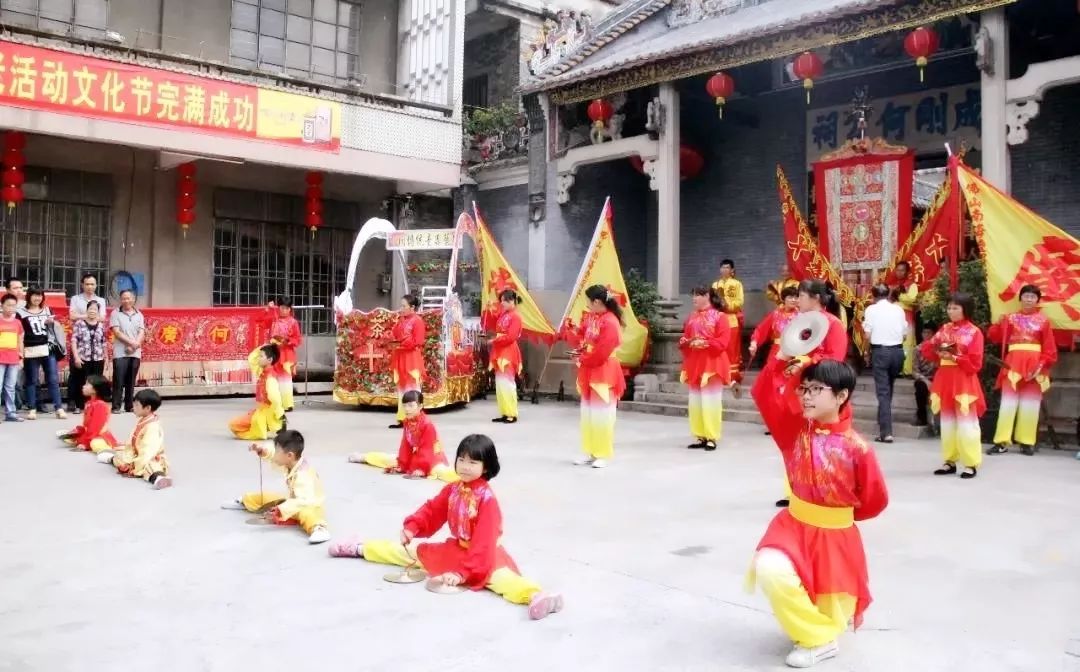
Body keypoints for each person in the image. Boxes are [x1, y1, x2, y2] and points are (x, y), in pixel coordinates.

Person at [327, 434, 565, 620]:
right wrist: (413, 527)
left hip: (484, 556)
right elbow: (433, 510)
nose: (464, 466)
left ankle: (537, 596)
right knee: (410, 553)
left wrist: (462, 573)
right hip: (456, 550)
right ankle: (359, 547)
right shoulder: (453, 488)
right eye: (461, 459)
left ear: (487, 467)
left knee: (501, 580)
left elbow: (483, 542)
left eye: (473, 462)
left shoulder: (487, 500)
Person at [748, 359, 888, 669]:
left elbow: (875, 500)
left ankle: (821, 635)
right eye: (805, 389)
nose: (807, 396)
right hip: (793, 524)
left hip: (835, 536)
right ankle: (817, 637)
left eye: (816, 389)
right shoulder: (793, 431)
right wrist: (781, 361)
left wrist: (836, 519)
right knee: (770, 569)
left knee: (832, 604)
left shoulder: (858, 448)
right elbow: (763, 394)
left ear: (841, 396)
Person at [756, 280, 849, 508]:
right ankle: (796, 491)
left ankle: (824, 491)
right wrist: (781, 362)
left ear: (816, 298)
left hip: (822, 394)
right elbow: (785, 353)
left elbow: (835, 360)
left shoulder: (833, 324)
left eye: (801, 295)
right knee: (798, 441)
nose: (797, 300)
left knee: (822, 442)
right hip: (798, 390)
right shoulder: (797, 322)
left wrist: (808, 360)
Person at [221, 429, 330, 544]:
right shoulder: (290, 461)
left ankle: (319, 529)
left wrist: (280, 509)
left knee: (306, 514)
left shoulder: (303, 475)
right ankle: (244, 501)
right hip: (293, 501)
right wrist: (262, 450)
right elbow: (273, 453)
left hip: (309, 504)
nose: (275, 453)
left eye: (277, 451)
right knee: (269, 497)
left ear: (289, 455)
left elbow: (303, 501)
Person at [919, 292, 985, 479]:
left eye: (955, 307)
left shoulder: (974, 332)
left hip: (963, 378)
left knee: (967, 423)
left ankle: (971, 463)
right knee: (947, 423)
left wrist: (954, 356)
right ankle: (949, 461)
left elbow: (976, 362)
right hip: (945, 378)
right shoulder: (944, 329)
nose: (951, 311)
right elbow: (929, 349)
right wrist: (936, 350)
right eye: (949, 307)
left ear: (966, 309)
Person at [987, 284, 1057, 456]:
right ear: (1020, 298)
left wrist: (1040, 366)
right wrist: (998, 323)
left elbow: (1050, 350)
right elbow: (994, 337)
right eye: (1026, 296)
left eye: (1033, 297)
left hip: (1035, 366)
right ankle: (1001, 441)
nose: (1028, 300)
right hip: (1012, 364)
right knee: (1007, 404)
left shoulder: (1044, 321)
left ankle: (1026, 442)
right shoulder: (1010, 318)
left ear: (1037, 301)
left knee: (1030, 404)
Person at [567, 284, 624, 468]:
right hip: (589, 368)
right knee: (588, 413)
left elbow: (602, 352)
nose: (588, 305)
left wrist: (582, 357)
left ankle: (602, 453)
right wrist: (571, 330)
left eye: (588, 302)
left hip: (604, 370)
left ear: (597, 301)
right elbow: (583, 338)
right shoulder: (592, 317)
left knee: (602, 414)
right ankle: (590, 451)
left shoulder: (610, 322)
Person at [347, 389, 458, 482]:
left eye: (411, 406)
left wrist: (422, 468)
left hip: (432, 459)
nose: (407, 409)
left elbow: (427, 449)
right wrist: (402, 463)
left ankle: (468, 477)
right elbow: (405, 445)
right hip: (415, 456)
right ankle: (363, 457)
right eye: (404, 406)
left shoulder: (427, 425)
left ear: (420, 406)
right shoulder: (407, 422)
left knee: (441, 472)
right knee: (390, 459)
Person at [679, 286, 731, 451]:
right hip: (695, 363)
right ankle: (700, 435)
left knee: (711, 400)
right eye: (693, 295)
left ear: (707, 296)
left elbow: (724, 341)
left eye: (697, 295)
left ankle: (711, 437)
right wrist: (685, 342)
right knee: (695, 401)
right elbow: (686, 337)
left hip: (712, 363)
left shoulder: (720, 317)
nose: (693, 299)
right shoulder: (691, 317)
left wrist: (706, 343)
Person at [749, 285, 800, 437]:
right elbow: (760, 330)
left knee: (792, 387)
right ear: (783, 299)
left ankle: (792, 421)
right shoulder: (775, 315)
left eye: (796, 297)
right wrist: (754, 343)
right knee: (773, 389)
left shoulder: (802, 316)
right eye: (790, 297)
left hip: (795, 354)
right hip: (776, 354)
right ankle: (774, 421)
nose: (793, 300)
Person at [97, 389, 172, 490]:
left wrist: (134, 467)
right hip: (137, 454)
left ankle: (159, 478)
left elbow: (148, 452)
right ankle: (111, 458)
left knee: (151, 466)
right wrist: (128, 455)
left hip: (151, 457)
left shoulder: (153, 427)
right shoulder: (143, 421)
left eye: (137, 405)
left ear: (148, 408)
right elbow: (131, 443)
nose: (134, 407)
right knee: (123, 456)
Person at [862, 284, 909, 443]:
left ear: (873, 295)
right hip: (897, 352)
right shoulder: (898, 309)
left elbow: (867, 335)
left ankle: (886, 432)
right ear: (888, 294)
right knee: (889, 388)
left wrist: (866, 351)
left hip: (881, 352)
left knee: (883, 392)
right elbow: (904, 336)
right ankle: (883, 423)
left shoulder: (871, 310)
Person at [19, 288, 65, 420]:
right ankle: (32, 408)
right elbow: (20, 332)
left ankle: (59, 408)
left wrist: (52, 323)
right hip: (30, 349)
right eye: (34, 295)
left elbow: (55, 328)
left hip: (47, 348)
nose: (37, 298)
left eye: (39, 296)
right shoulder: (20, 313)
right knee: (32, 379)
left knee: (53, 378)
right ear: (28, 297)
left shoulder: (47, 310)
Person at [229, 344, 286, 440]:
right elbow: (252, 359)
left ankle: (270, 427)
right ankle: (270, 428)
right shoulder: (262, 371)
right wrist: (264, 346)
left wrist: (279, 413)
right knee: (235, 425)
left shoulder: (270, 376)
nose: (258, 358)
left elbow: (274, 397)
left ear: (269, 360)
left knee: (235, 425)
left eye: (261, 356)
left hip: (267, 411)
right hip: (261, 410)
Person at [388, 294, 426, 429]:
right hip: (400, 357)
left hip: (411, 358)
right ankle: (403, 418)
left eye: (404, 306)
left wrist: (405, 343)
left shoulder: (417, 321)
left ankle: (415, 419)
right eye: (401, 305)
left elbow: (419, 342)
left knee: (413, 388)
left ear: (412, 307)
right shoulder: (401, 320)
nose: (401, 308)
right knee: (401, 389)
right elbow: (394, 335)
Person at [58, 375, 118, 453]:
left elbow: (95, 428)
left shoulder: (100, 405)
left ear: (95, 389)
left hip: (99, 435)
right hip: (90, 433)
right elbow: (86, 425)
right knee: (70, 436)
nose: (83, 386)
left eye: (86, 384)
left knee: (95, 444)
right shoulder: (89, 403)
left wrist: (85, 443)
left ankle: (108, 453)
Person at [489, 289, 523, 424]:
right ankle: (504, 412)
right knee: (500, 384)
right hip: (500, 351)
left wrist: (495, 340)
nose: (502, 303)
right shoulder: (503, 315)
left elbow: (511, 337)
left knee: (507, 383)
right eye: (501, 300)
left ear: (512, 301)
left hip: (508, 351)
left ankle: (511, 413)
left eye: (505, 300)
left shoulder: (516, 317)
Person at [68, 301, 108, 414]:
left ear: (98, 312)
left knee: (96, 383)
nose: (92, 311)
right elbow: (74, 341)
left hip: (98, 358)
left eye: (95, 309)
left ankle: (95, 406)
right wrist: (76, 357)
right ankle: (79, 405)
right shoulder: (79, 323)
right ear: (86, 310)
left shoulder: (101, 325)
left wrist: (106, 357)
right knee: (81, 382)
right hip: (83, 357)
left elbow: (103, 342)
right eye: (90, 308)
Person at [109, 289, 146, 414]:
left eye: (128, 298)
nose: (126, 301)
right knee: (118, 380)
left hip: (135, 352)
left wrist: (134, 346)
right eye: (123, 298)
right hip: (120, 352)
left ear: (133, 299)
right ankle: (116, 406)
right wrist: (132, 343)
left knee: (131, 381)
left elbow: (141, 332)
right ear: (121, 300)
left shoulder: (139, 314)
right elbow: (117, 332)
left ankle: (129, 405)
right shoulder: (115, 313)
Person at [710, 259, 744, 390]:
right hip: (716, 320)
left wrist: (726, 305)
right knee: (718, 348)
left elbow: (739, 302)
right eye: (722, 267)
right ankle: (719, 372)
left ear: (732, 270)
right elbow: (711, 301)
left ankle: (732, 376)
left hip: (731, 320)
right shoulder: (715, 284)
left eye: (727, 267)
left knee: (731, 349)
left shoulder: (737, 284)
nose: (724, 270)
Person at [266, 297, 302, 413]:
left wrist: (288, 340)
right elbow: (261, 322)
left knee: (285, 380)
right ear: (278, 307)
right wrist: (268, 309)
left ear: (290, 309)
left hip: (287, 353)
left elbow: (298, 339)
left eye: (287, 308)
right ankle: (274, 403)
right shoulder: (273, 319)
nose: (284, 310)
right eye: (282, 308)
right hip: (273, 352)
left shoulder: (293, 322)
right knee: (272, 379)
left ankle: (287, 404)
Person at [889, 262, 919, 376]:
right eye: (897, 270)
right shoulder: (892, 284)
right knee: (895, 342)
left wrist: (899, 296)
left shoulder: (911, 285)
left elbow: (912, 299)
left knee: (907, 343)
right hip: (894, 316)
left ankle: (907, 370)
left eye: (902, 270)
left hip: (907, 316)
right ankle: (896, 368)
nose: (899, 272)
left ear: (907, 272)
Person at [0, 293, 24, 423]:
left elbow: (20, 341)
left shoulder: (18, 323)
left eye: (13, 305)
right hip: (0, 358)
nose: (10, 308)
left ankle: (11, 413)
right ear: (2, 305)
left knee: (10, 386)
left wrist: (21, 357)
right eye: (8, 305)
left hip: (13, 358)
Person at [912, 325, 939, 436]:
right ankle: (922, 418)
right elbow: (914, 371)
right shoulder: (918, 349)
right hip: (924, 378)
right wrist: (925, 380)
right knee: (920, 387)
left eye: (929, 333)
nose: (926, 335)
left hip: (938, 378)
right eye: (924, 332)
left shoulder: (939, 348)